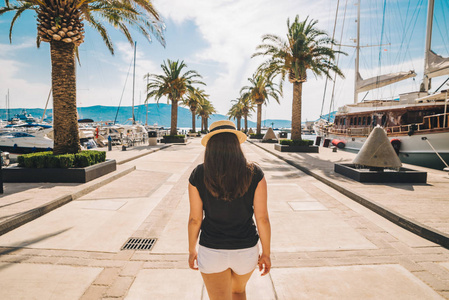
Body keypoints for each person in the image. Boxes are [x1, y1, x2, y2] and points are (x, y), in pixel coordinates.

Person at [188, 120, 271, 300]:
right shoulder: (254, 172)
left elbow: (195, 219)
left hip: (211, 250)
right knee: (238, 292)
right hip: (246, 250)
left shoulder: (199, 174)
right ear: (236, 145)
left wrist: (191, 250)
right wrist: (266, 253)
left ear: (210, 146)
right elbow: (262, 218)